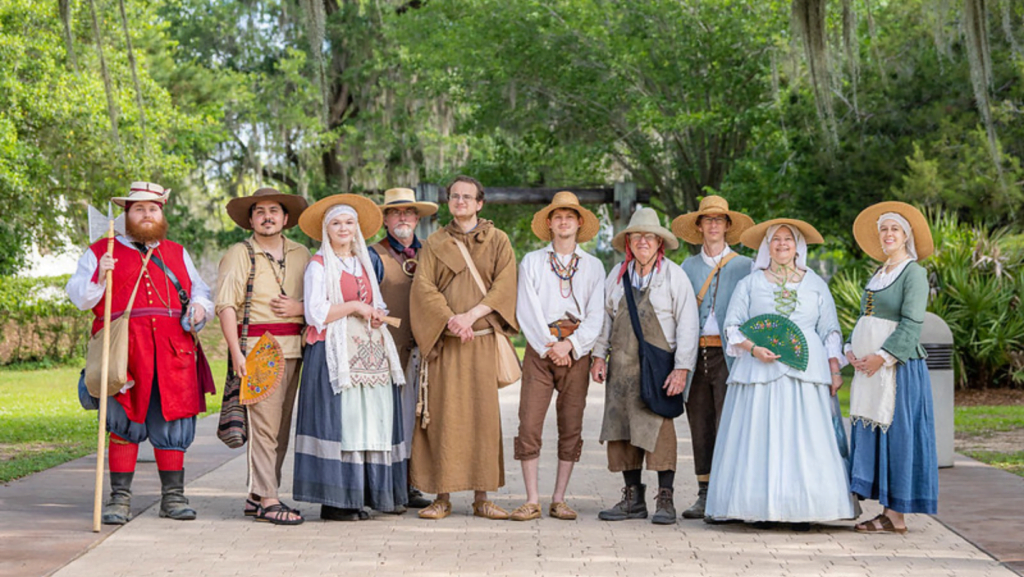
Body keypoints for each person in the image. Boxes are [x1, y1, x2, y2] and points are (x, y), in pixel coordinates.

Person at [66, 182, 214, 524]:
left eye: (153, 209)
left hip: (172, 352)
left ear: (161, 213)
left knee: (172, 421)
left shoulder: (177, 252)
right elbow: (80, 297)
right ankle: (119, 500)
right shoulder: (100, 251)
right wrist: (99, 275)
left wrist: (200, 309)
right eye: (139, 209)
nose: (147, 214)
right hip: (123, 352)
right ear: (127, 213)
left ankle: (173, 498)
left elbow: (200, 292)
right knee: (122, 421)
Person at [704, 219, 856, 529]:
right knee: (760, 435)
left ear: (797, 246)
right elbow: (732, 326)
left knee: (803, 438)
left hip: (806, 372)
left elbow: (829, 330)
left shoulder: (815, 285)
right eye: (776, 239)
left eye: (788, 239)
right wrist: (753, 348)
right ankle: (759, 506)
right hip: (759, 370)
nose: (782, 244)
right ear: (767, 246)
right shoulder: (750, 284)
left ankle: (803, 509)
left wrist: (835, 369)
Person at [291, 194, 408, 521]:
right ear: (326, 230)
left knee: (370, 421)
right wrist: (356, 307)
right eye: (336, 223)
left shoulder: (364, 262)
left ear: (358, 228)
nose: (344, 228)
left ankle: (368, 495)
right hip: (334, 354)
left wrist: (375, 315)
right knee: (344, 424)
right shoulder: (319, 265)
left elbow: (379, 303)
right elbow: (316, 313)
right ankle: (337, 501)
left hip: (369, 352)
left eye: (349, 222)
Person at [409, 175, 518, 520]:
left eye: (467, 197)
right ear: (449, 202)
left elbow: (505, 286)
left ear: (479, 203)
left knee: (483, 421)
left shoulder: (498, 240)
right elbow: (423, 289)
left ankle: (482, 498)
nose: (460, 202)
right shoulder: (434, 243)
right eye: (454, 197)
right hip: (446, 344)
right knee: (443, 419)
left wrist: (470, 316)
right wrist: (450, 320)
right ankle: (442, 497)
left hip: (481, 344)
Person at [591, 207, 699, 525]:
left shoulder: (673, 276)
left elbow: (688, 325)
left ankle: (665, 498)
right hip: (621, 367)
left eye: (649, 236)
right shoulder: (617, 276)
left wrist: (681, 369)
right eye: (636, 236)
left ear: (659, 242)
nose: (643, 242)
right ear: (628, 242)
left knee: (660, 430)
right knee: (622, 430)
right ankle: (632, 499)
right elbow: (604, 320)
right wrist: (599, 356)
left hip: (659, 367)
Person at [509, 191, 605, 522]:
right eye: (558, 217)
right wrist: (550, 344)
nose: (564, 222)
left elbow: (596, 315)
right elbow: (527, 308)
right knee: (530, 421)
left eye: (570, 216)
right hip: (541, 350)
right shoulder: (532, 261)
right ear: (549, 223)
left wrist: (572, 346)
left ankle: (560, 498)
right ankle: (532, 498)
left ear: (579, 222)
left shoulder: (594, 266)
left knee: (571, 425)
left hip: (575, 351)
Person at [216, 187, 310, 525]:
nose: (267, 216)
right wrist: (236, 353)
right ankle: (270, 500)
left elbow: (317, 300)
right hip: (259, 350)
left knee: (281, 429)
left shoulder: (302, 253)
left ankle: (257, 496)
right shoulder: (240, 254)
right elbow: (226, 305)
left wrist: (300, 308)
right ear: (250, 219)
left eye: (274, 211)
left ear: (286, 218)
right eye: (260, 211)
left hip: (297, 350)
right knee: (264, 430)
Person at [847, 201, 938, 534]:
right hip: (870, 369)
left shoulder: (913, 272)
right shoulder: (880, 272)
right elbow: (864, 319)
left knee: (897, 436)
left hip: (899, 368)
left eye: (894, 229)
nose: (887, 234)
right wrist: (850, 349)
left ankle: (896, 515)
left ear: (906, 236)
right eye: (883, 228)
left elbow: (913, 324)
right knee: (878, 432)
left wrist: (882, 357)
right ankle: (887, 512)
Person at [671, 195, 754, 519]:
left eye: (720, 219)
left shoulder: (745, 266)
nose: (714, 225)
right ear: (700, 226)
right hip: (695, 354)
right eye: (708, 219)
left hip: (730, 354)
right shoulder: (687, 267)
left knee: (729, 422)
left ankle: (728, 494)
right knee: (700, 423)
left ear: (728, 226)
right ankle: (704, 494)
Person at [368, 187, 438, 511]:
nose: (403, 218)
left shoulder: (433, 252)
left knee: (416, 421)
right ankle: (384, 488)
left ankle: (411, 484)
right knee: (385, 420)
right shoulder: (372, 255)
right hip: (385, 349)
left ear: (418, 218)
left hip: (424, 350)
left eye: (409, 212)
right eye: (396, 212)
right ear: (385, 219)